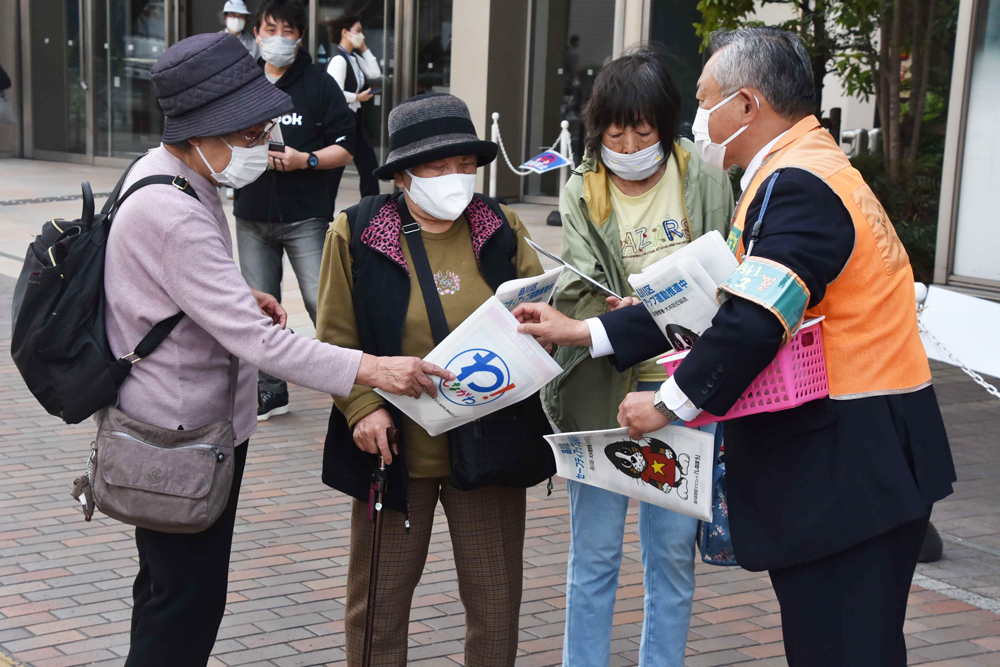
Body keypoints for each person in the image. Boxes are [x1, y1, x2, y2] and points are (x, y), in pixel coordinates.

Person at [515, 27, 956, 667]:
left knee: (841, 646)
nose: (699, 117)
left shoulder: (799, 184)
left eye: (706, 98)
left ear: (746, 105)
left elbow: (753, 320)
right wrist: (589, 331)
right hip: (864, 461)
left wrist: (667, 405)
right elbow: (707, 302)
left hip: (851, 465)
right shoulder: (801, 170)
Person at [106, 32, 452, 667]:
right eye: (246, 132)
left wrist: (237, 295)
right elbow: (262, 345)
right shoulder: (174, 208)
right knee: (184, 606)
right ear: (200, 130)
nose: (261, 143)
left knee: (165, 592)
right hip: (180, 438)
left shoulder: (167, 171)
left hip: (175, 424)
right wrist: (373, 369)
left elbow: (186, 294)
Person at [316, 92, 544, 667]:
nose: (456, 178)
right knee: (378, 607)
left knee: (495, 605)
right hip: (393, 450)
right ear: (403, 175)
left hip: (488, 443)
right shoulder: (359, 232)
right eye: (439, 167)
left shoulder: (501, 227)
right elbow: (333, 339)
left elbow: (541, 315)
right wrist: (363, 406)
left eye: (465, 165)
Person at [539, 46, 733, 667]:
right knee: (593, 558)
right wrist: (615, 306)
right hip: (603, 394)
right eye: (615, 132)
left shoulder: (703, 177)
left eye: (642, 131)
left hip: (683, 393)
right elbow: (575, 284)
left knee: (672, 559)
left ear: (666, 124)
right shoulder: (583, 188)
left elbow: (728, 271)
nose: (627, 145)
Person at [233, 0, 357, 421]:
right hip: (251, 214)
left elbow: (347, 147)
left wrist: (308, 159)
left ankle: (354, 388)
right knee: (258, 310)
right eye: (270, 30)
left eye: (287, 31)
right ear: (256, 33)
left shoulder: (319, 84)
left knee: (324, 303)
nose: (279, 40)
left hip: (305, 216)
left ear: (300, 37)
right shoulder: (243, 81)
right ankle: (271, 390)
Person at [326, 14, 382, 198]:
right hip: (343, 121)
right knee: (335, 171)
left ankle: (372, 210)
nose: (362, 35)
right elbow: (334, 93)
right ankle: (323, 213)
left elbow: (374, 72)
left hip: (356, 120)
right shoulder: (339, 60)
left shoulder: (354, 58)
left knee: (370, 168)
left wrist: (364, 47)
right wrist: (358, 96)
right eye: (358, 31)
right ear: (345, 32)